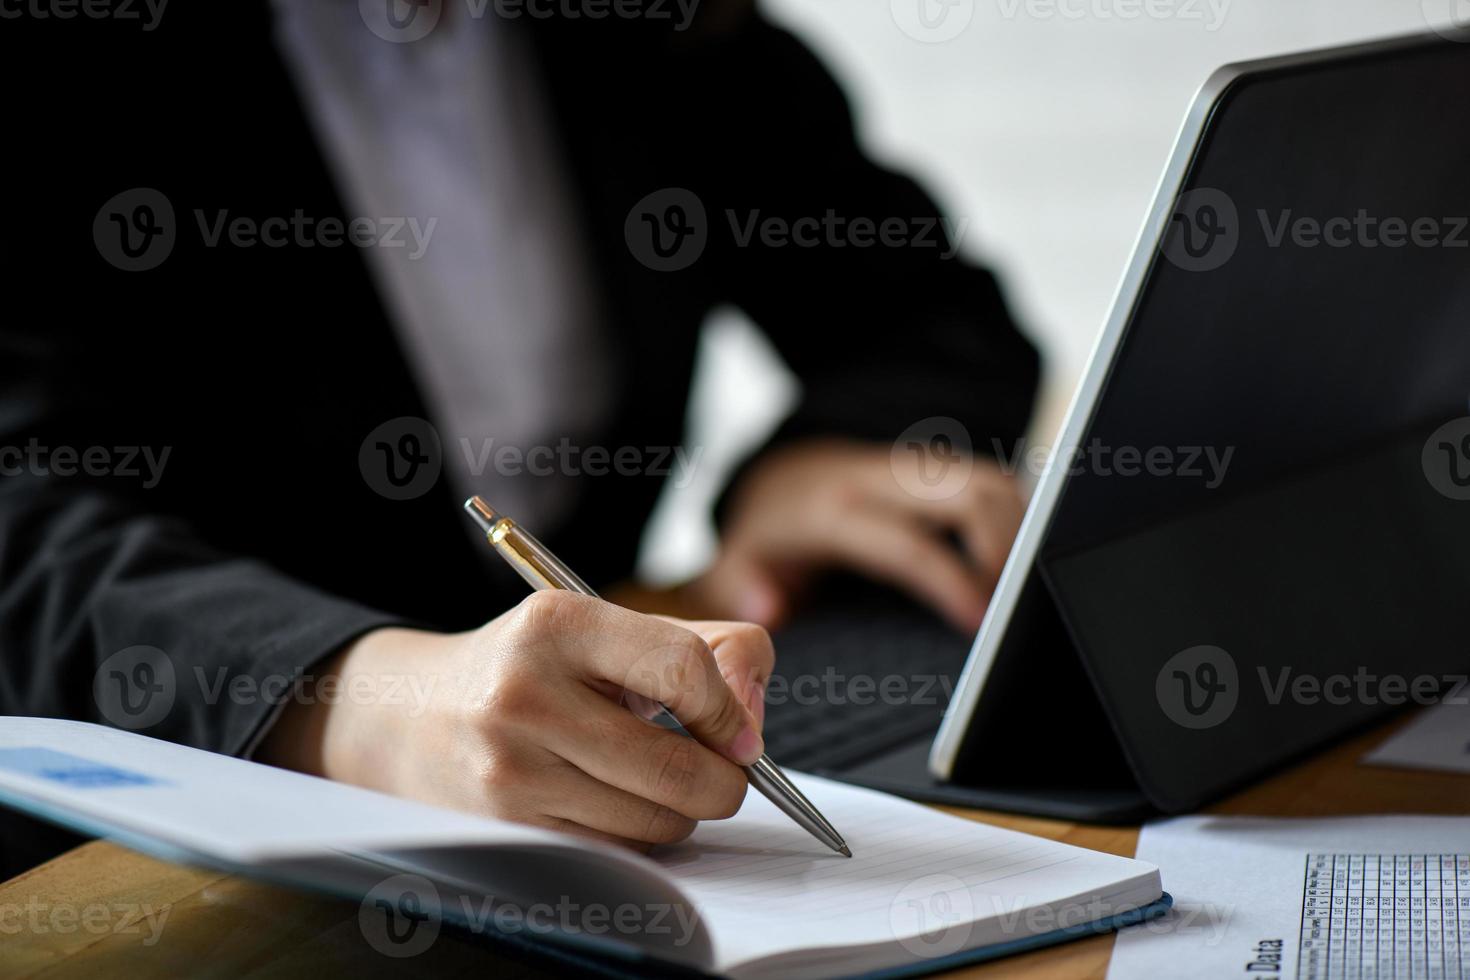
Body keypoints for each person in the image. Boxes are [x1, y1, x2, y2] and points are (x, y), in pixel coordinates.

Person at [0, 1, 1038, 873]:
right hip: (144, 859)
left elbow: (931, 313)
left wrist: (824, 455)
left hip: (614, 826)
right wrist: (345, 694)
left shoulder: (657, 29)